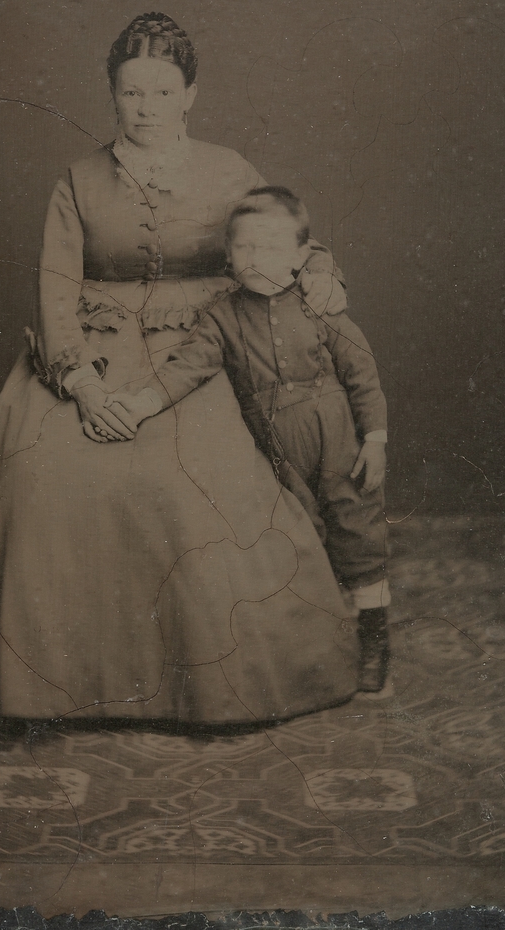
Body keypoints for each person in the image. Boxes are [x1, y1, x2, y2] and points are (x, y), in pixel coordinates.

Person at [0, 13, 365, 729]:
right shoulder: (77, 182)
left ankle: (208, 686)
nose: (146, 109)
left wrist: (322, 275)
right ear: (112, 94)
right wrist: (83, 385)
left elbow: (296, 239)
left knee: (189, 484)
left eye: (163, 93)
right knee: (39, 474)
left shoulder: (229, 170)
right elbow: (55, 289)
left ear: (190, 95)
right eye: (132, 93)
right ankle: (53, 686)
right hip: (93, 349)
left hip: (207, 346)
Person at [107, 186, 391, 692]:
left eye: (272, 247)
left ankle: (375, 641)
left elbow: (362, 373)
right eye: (245, 247)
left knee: (358, 531)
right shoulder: (222, 316)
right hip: (278, 450)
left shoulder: (319, 305)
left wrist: (375, 439)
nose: (257, 258)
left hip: (339, 441)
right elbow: (188, 366)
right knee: (300, 535)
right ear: (229, 253)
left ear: (301, 256)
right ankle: (320, 642)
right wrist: (144, 402)